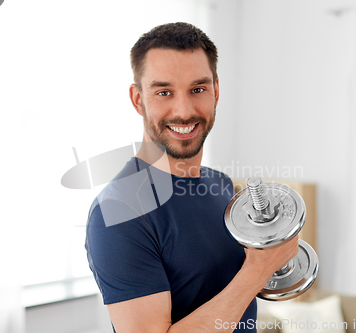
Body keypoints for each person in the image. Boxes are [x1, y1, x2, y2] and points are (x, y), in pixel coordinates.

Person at [85, 22, 298, 333]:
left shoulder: (222, 185)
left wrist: (275, 254)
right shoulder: (117, 212)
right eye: (164, 92)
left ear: (216, 91)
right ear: (137, 99)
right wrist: (258, 270)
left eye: (198, 89)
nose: (184, 111)